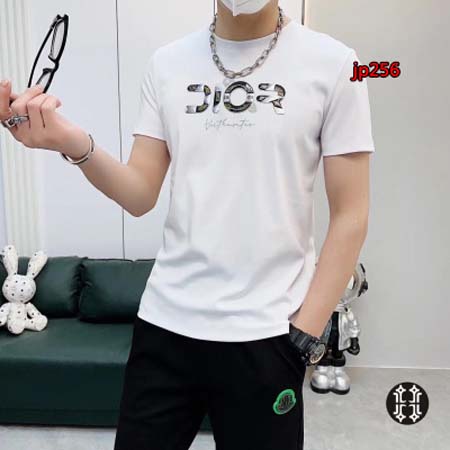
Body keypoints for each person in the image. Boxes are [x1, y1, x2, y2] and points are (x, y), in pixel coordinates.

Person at [0, 0, 375, 448]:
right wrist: (72, 142)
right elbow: (139, 194)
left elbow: (351, 215)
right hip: (166, 327)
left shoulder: (336, 64)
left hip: (269, 335)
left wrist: (304, 334)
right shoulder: (167, 64)